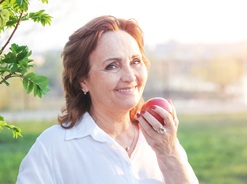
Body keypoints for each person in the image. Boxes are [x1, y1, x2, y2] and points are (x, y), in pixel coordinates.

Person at [16, 15, 199, 184]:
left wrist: (169, 152)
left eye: (135, 61)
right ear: (83, 81)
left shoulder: (161, 139)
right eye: (112, 66)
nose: (130, 76)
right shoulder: (53, 147)